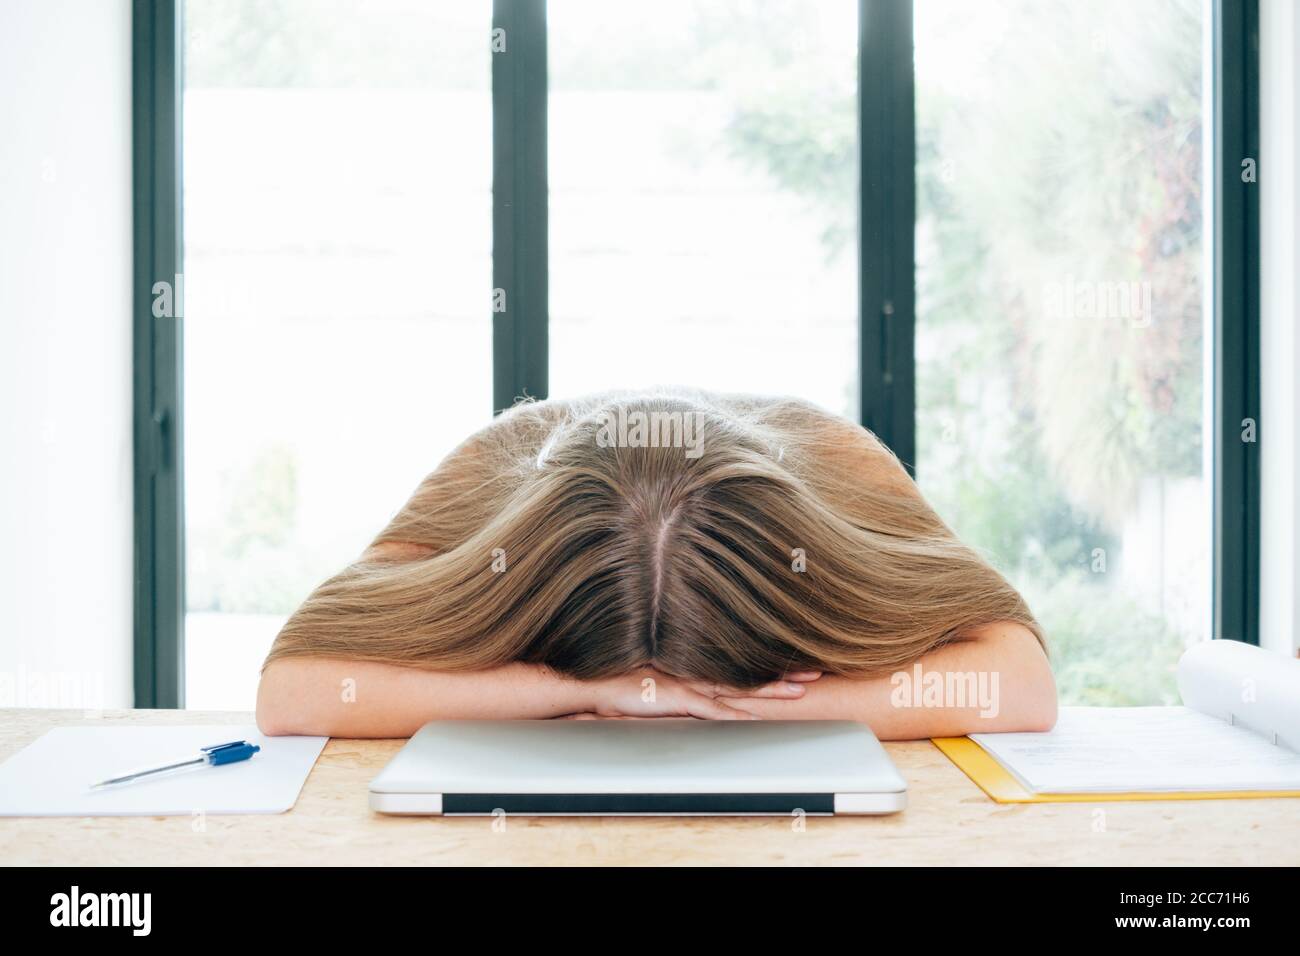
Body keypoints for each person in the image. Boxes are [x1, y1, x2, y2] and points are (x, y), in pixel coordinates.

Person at [256, 389, 1056, 739]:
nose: (669, 701)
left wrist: (754, 710)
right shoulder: (484, 471)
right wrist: (586, 689)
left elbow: (1020, 682)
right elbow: (294, 691)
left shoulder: (840, 460)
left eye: (703, 673)